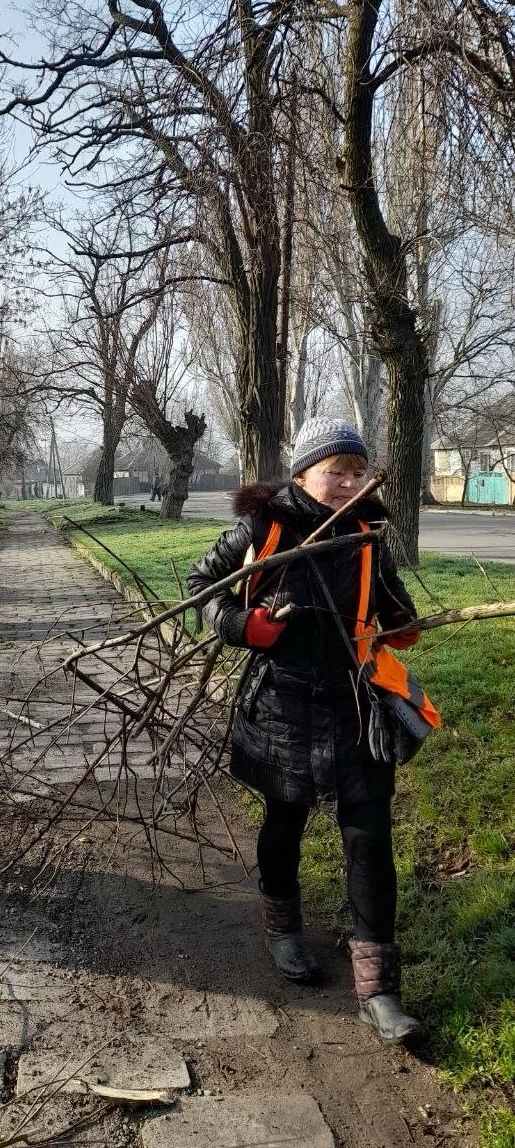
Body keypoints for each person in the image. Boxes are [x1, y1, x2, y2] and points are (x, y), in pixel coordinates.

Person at [187, 417, 424, 1045]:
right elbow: (200, 587)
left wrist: (402, 624)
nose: (347, 483)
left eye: (355, 471)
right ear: (302, 473)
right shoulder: (265, 527)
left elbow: (392, 602)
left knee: (370, 837)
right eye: (334, 471)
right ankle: (283, 931)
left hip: (355, 704)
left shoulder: (368, 534)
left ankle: (378, 988)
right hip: (283, 707)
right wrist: (242, 627)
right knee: (284, 821)